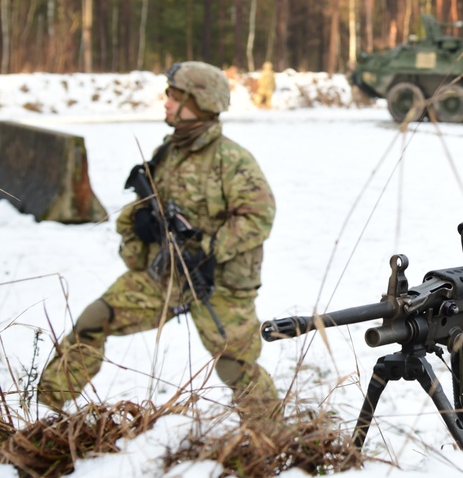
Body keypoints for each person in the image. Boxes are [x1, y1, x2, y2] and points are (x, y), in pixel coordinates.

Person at [38, 61, 281, 421]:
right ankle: (43, 409)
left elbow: (258, 216)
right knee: (92, 321)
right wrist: (139, 224)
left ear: (198, 102)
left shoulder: (231, 160)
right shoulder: (170, 152)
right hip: (162, 277)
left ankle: (272, 438)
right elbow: (144, 203)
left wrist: (210, 250)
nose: (166, 104)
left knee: (235, 366)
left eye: (174, 97)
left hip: (216, 285)